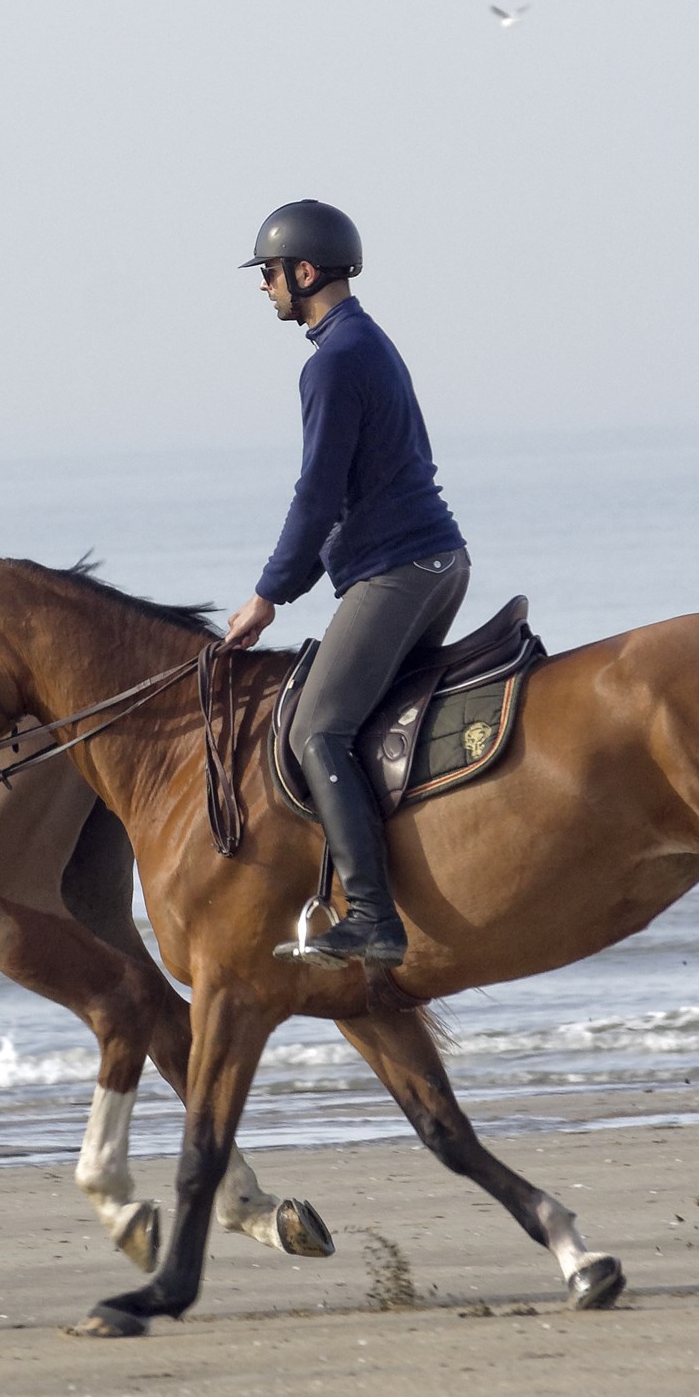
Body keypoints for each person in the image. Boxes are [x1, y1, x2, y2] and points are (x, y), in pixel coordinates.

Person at [220, 200, 469, 969]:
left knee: (314, 730)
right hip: (435, 562)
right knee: (358, 716)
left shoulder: (330, 362)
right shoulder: (363, 343)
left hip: (398, 571)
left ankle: (372, 916)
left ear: (303, 271)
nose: (262, 287)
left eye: (267, 273)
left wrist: (269, 593)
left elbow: (316, 494)